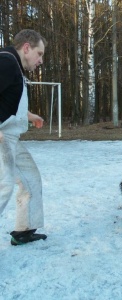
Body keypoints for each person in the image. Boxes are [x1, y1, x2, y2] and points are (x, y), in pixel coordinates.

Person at [0, 29, 48, 245]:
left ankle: (24, 229)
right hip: (2, 137)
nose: (40, 60)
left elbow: (7, 101)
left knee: (30, 177)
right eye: (39, 54)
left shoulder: (14, 67)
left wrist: (29, 116)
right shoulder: (6, 62)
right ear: (26, 48)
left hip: (10, 136)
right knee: (4, 186)